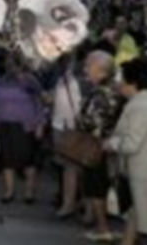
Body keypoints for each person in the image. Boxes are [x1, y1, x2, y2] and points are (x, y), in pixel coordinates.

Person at [104, 57, 147, 245]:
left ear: (133, 81)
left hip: (143, 172)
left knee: (146, 225)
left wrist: (110, 144)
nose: (118, 82)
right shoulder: (142, 102)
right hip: (142, 171)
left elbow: (132, 143)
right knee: (136, 214)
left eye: (121, 78)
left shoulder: (141, 106)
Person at [77, 50, 121, 242]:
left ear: (102, 71)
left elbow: (90, 123)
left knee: (96, 189)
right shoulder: (115, 89)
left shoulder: (100, 93)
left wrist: (80, 115)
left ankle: (102, 230)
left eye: (89, 65)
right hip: (111, 147)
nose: (85, 69)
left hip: (98, 148)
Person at [0, 56, 45, 204]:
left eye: (14, 64)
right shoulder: (2, 81)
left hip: (25, 126)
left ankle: (29, 193)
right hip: (5, 125)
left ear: (22, 65)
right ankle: (9, 192)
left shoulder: (30, 80)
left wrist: (40, 125)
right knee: (7, 161)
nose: (11, 67)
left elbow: (38, 103)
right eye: (9, 64)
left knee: (28, 161)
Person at [51, 54, 83, 218]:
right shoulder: (62, 79)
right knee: (67, 168)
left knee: (70, 168)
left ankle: (69, 203)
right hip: (61, 126)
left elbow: (77, 107)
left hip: (69, 129)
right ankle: (69, 201)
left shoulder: (74, 81)